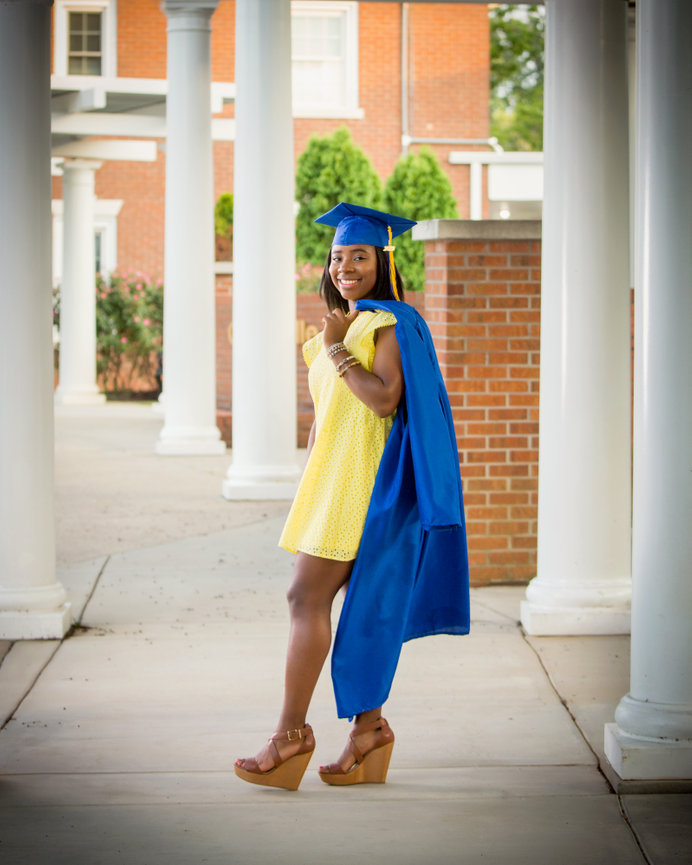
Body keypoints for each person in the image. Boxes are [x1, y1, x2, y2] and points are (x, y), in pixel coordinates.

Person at [234, 203, 470, 791]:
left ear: (382, 261)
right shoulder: (340, 327)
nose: (345, 267)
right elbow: (325, 421)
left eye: (358, 257)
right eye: (338, 257)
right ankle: (369, 733)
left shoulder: (391, 324)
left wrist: (339, 348)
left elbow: (385, 399)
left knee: (303, 599)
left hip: (365, 489)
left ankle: (291, 737)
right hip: (330, 485)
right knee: (356, 607)